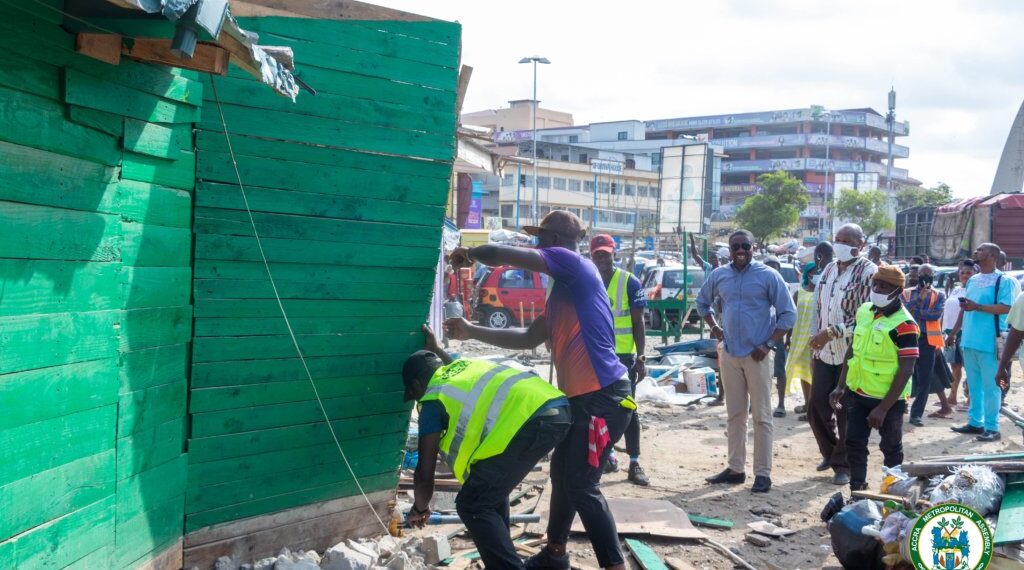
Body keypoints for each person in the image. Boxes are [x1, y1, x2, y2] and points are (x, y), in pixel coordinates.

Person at [445, 210, 631, 570]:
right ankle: (555, 555)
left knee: (582, 485)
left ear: (556, 241)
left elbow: (500, 255)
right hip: (584, 397)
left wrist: (469, 253)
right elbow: (528, 337)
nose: (535, 245)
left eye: (540, 239)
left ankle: (614, 565)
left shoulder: (572, 263)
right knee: (562, 477)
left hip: (603, 396)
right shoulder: (565, 292)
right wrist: (471, 330)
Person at [405, 327, 571, 569]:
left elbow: (424, 473)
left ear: (419, 383)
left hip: (530, 422)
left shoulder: (432, 401)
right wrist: (437, 348)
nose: (417, 398)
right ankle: (544, 563)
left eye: (414, 393)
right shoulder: (461, 368)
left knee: (472, 503)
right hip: (556, 407)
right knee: (487, 491)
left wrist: (419, 508)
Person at [696, 229, 796, 493]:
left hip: (758, 355)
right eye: (735, 246)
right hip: (730, 353)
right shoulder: (719, 275)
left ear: (754, 247)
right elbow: (702, 303)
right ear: (729, 249)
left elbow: (788, 315)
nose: (740, 250)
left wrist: (768, 344)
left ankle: (762, 474)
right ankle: (735, 469)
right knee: (735, 415)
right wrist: (716, 330)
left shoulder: (768, 276)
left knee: (762, 416)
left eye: (745, 246)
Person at [829, 265, 919, 492]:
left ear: (898, 291)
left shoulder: (905, 325)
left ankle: (894, 491)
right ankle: (857, 489)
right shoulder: (865, 311)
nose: (877, 289)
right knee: (854, 444)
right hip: (858, 394)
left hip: (889, 400)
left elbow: (906, 369)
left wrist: (883, 409)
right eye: (875, 284)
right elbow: (853, 351)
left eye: (884, 286)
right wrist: (841, 385)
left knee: (891, 448)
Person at [809, 224, 877, 486]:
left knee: (845, 410)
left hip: (852, 350)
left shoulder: (868, 272)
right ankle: (831, 452)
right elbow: (819, 306)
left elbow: (867, 315)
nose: (839, 244)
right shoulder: (829, 268)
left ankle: (843, 465)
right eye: (837, 239)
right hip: (825, 351)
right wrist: (817, 336)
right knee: (817, 406)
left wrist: (833, 331)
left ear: (860, 243)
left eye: (846, 240)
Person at [590, 234, 650, 486]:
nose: (602, 258)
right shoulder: (587, 281)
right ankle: (609, 456)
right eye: (597, 254)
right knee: (598, 411)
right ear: (591, 256)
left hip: (623, 359)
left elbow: (639, 323)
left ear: (614, 253)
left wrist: (641, 357)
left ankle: (634, 462)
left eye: (606, 253)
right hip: (595, 357)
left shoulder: (630, 282)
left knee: (628, 411)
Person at [947, 243, 1018, 442]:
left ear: (993, 255)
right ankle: (975, 422)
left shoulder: (1004, 281)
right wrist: (954, 333)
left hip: (990, 341)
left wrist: (978, 306)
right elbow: (965, 308)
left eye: (981, 250)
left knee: (991, 386)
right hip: (969, 340)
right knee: (974, 385)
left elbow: (1007, 308)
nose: (976, 252)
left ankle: (992, 427)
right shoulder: (973, 280)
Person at [901, 264, 946, 427]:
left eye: (929, 274)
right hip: (908, 338)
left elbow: (936, 314)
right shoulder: (906, 293)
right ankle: (901, 405)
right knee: (904, 375)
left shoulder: (939, 295)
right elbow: (903, 311)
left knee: (925, 378)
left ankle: (916, 414)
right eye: (922, 274)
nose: (925, 277)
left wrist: (916, 312)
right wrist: (919, 300)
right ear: (917, 275)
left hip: (927, 340)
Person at [941, 259, 977, 413]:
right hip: (949, 332)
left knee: (970, 367)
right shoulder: (956, 290)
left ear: (975, 273)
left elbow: (964, 313)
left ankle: (970, 399)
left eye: (969, 273)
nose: (965, 275)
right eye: (962, 273)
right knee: (954, 366)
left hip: (964, 332)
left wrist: (954, 332)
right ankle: (952, 396)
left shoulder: (974, 290)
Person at [787, 262, 820, 423]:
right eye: (813, 272)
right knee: (803, 373)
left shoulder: (823, 292)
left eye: (818, 271)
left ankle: (813, 410)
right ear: (807, 273)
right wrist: (788, 338)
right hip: (799, 339)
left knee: (815, 375)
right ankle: (807, 404)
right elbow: (791, 316)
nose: (816, 274)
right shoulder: (799, 292)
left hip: (816, 340)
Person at [763, 256, 790, 418]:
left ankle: (781, 404)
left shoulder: (784, 287)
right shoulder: (756, 285)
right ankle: (756, 402)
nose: (773, 270)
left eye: (776, 267)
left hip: (777, 333)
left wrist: (787, 336)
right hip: (759, 333)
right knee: (757, 370)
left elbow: (789, 315)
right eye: (770, 267)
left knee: (779, 370)